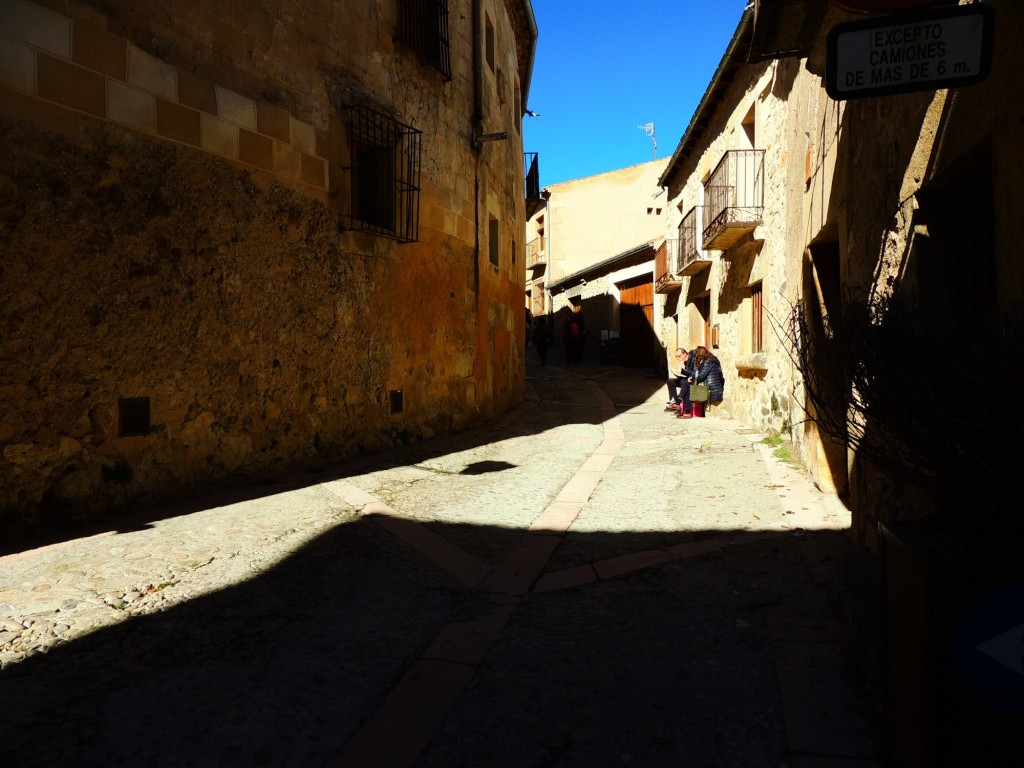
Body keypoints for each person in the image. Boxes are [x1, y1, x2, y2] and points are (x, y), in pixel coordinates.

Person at [682, 345, 725, 418]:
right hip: (711, 389)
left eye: (696, 355)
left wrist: (685, 371)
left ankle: (688, 411)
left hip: (712, 392)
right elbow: (698, 374)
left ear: (699, 355)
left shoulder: (708, 363)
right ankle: (683, 408)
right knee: (686, 383)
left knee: (689, 387)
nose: (695, 357)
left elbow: (699, 378)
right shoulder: (707, 361)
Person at [665, 347, 694, 415]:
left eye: (679, 356)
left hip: (692, 380)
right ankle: (674, 403)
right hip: (685, 379)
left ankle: (679, 404)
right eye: (676, 357)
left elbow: (693, 373)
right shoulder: (684, 361)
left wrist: (684, 368)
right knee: (670, 381)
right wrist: (678, 373)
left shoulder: (692, 360)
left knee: (684, 382)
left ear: (684, 354)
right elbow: (684, 374)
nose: (678, 358)